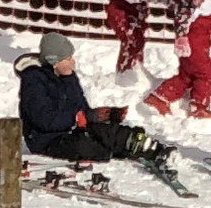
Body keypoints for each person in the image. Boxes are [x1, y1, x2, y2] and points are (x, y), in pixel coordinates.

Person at [17, 31, 188, 182]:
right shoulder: (34, 82)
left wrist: (104, 115)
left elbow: (81, 107)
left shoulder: (67, 76)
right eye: (67, 59)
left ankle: (151, 148)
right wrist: (78, 118)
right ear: (54, 61)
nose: (73, 62)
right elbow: (44, 119)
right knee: (94, 148)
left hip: (69, 130)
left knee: (107, 131)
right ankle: (128, 147)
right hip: (46, 140)